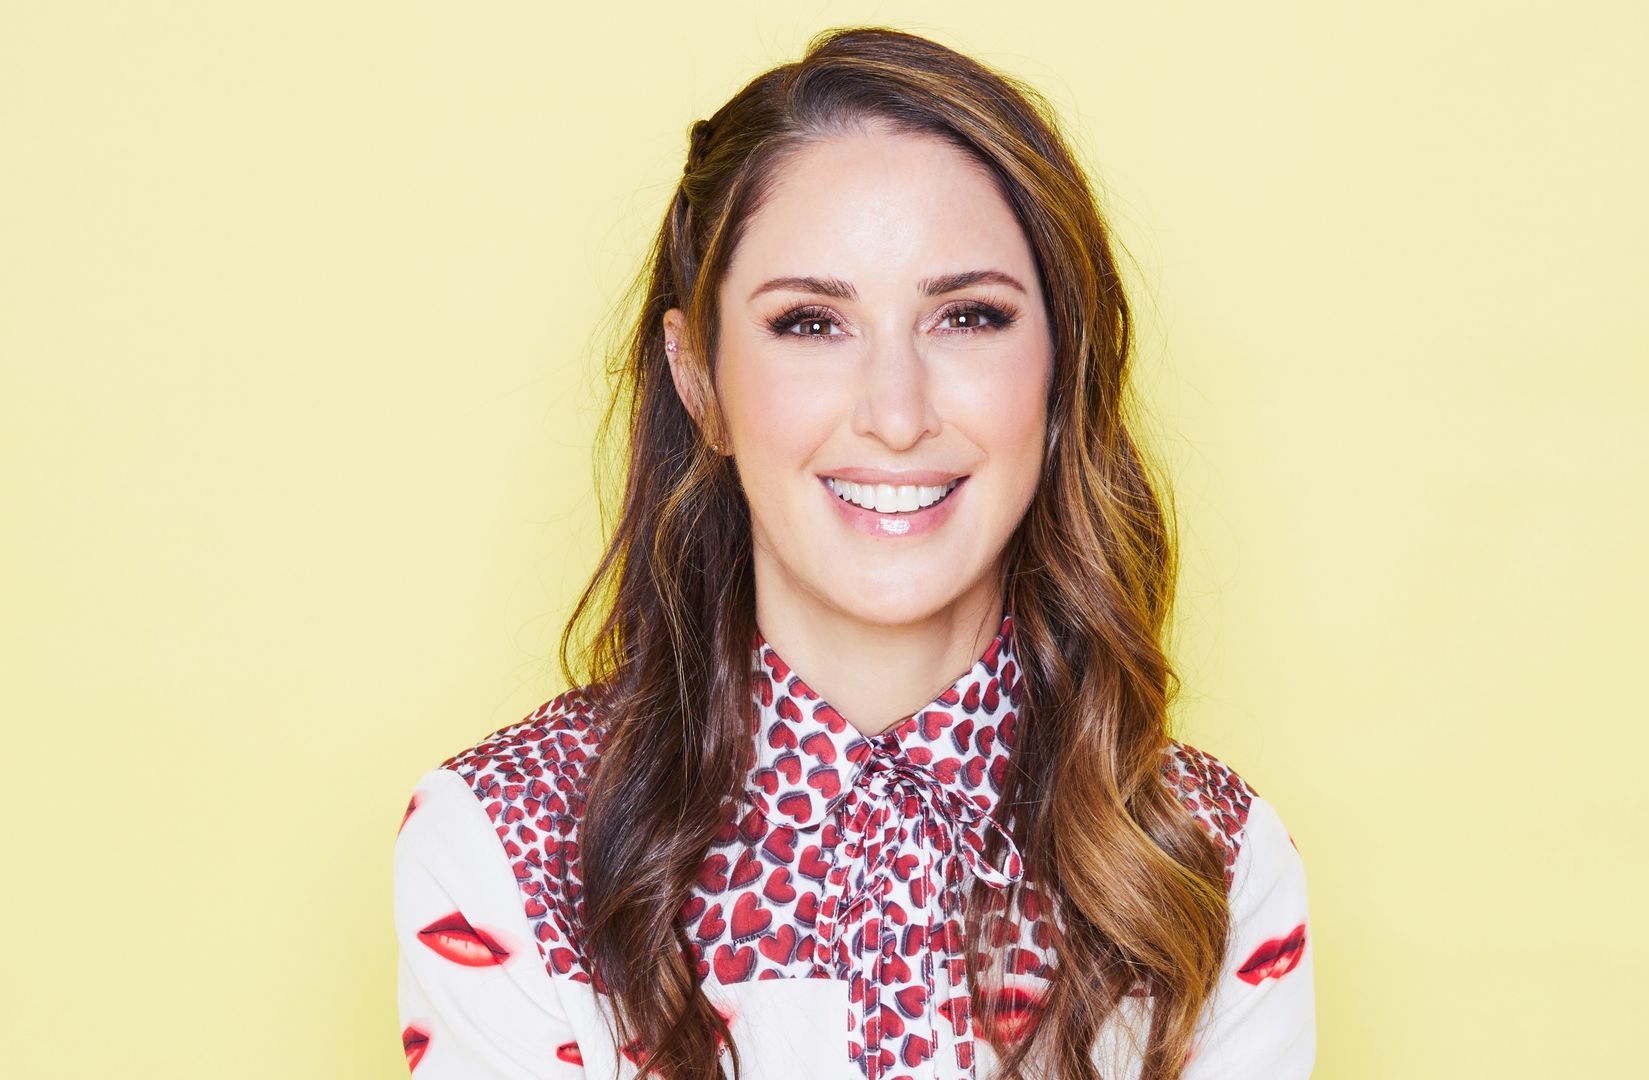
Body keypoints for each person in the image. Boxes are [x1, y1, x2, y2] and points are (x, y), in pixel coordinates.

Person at [392, 25, 1313, 1080]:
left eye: (967, 316)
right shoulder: (507, 845)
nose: (896, 414)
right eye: (810, 324)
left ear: (1062, 370)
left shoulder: (1205, 864)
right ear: (700, 381)